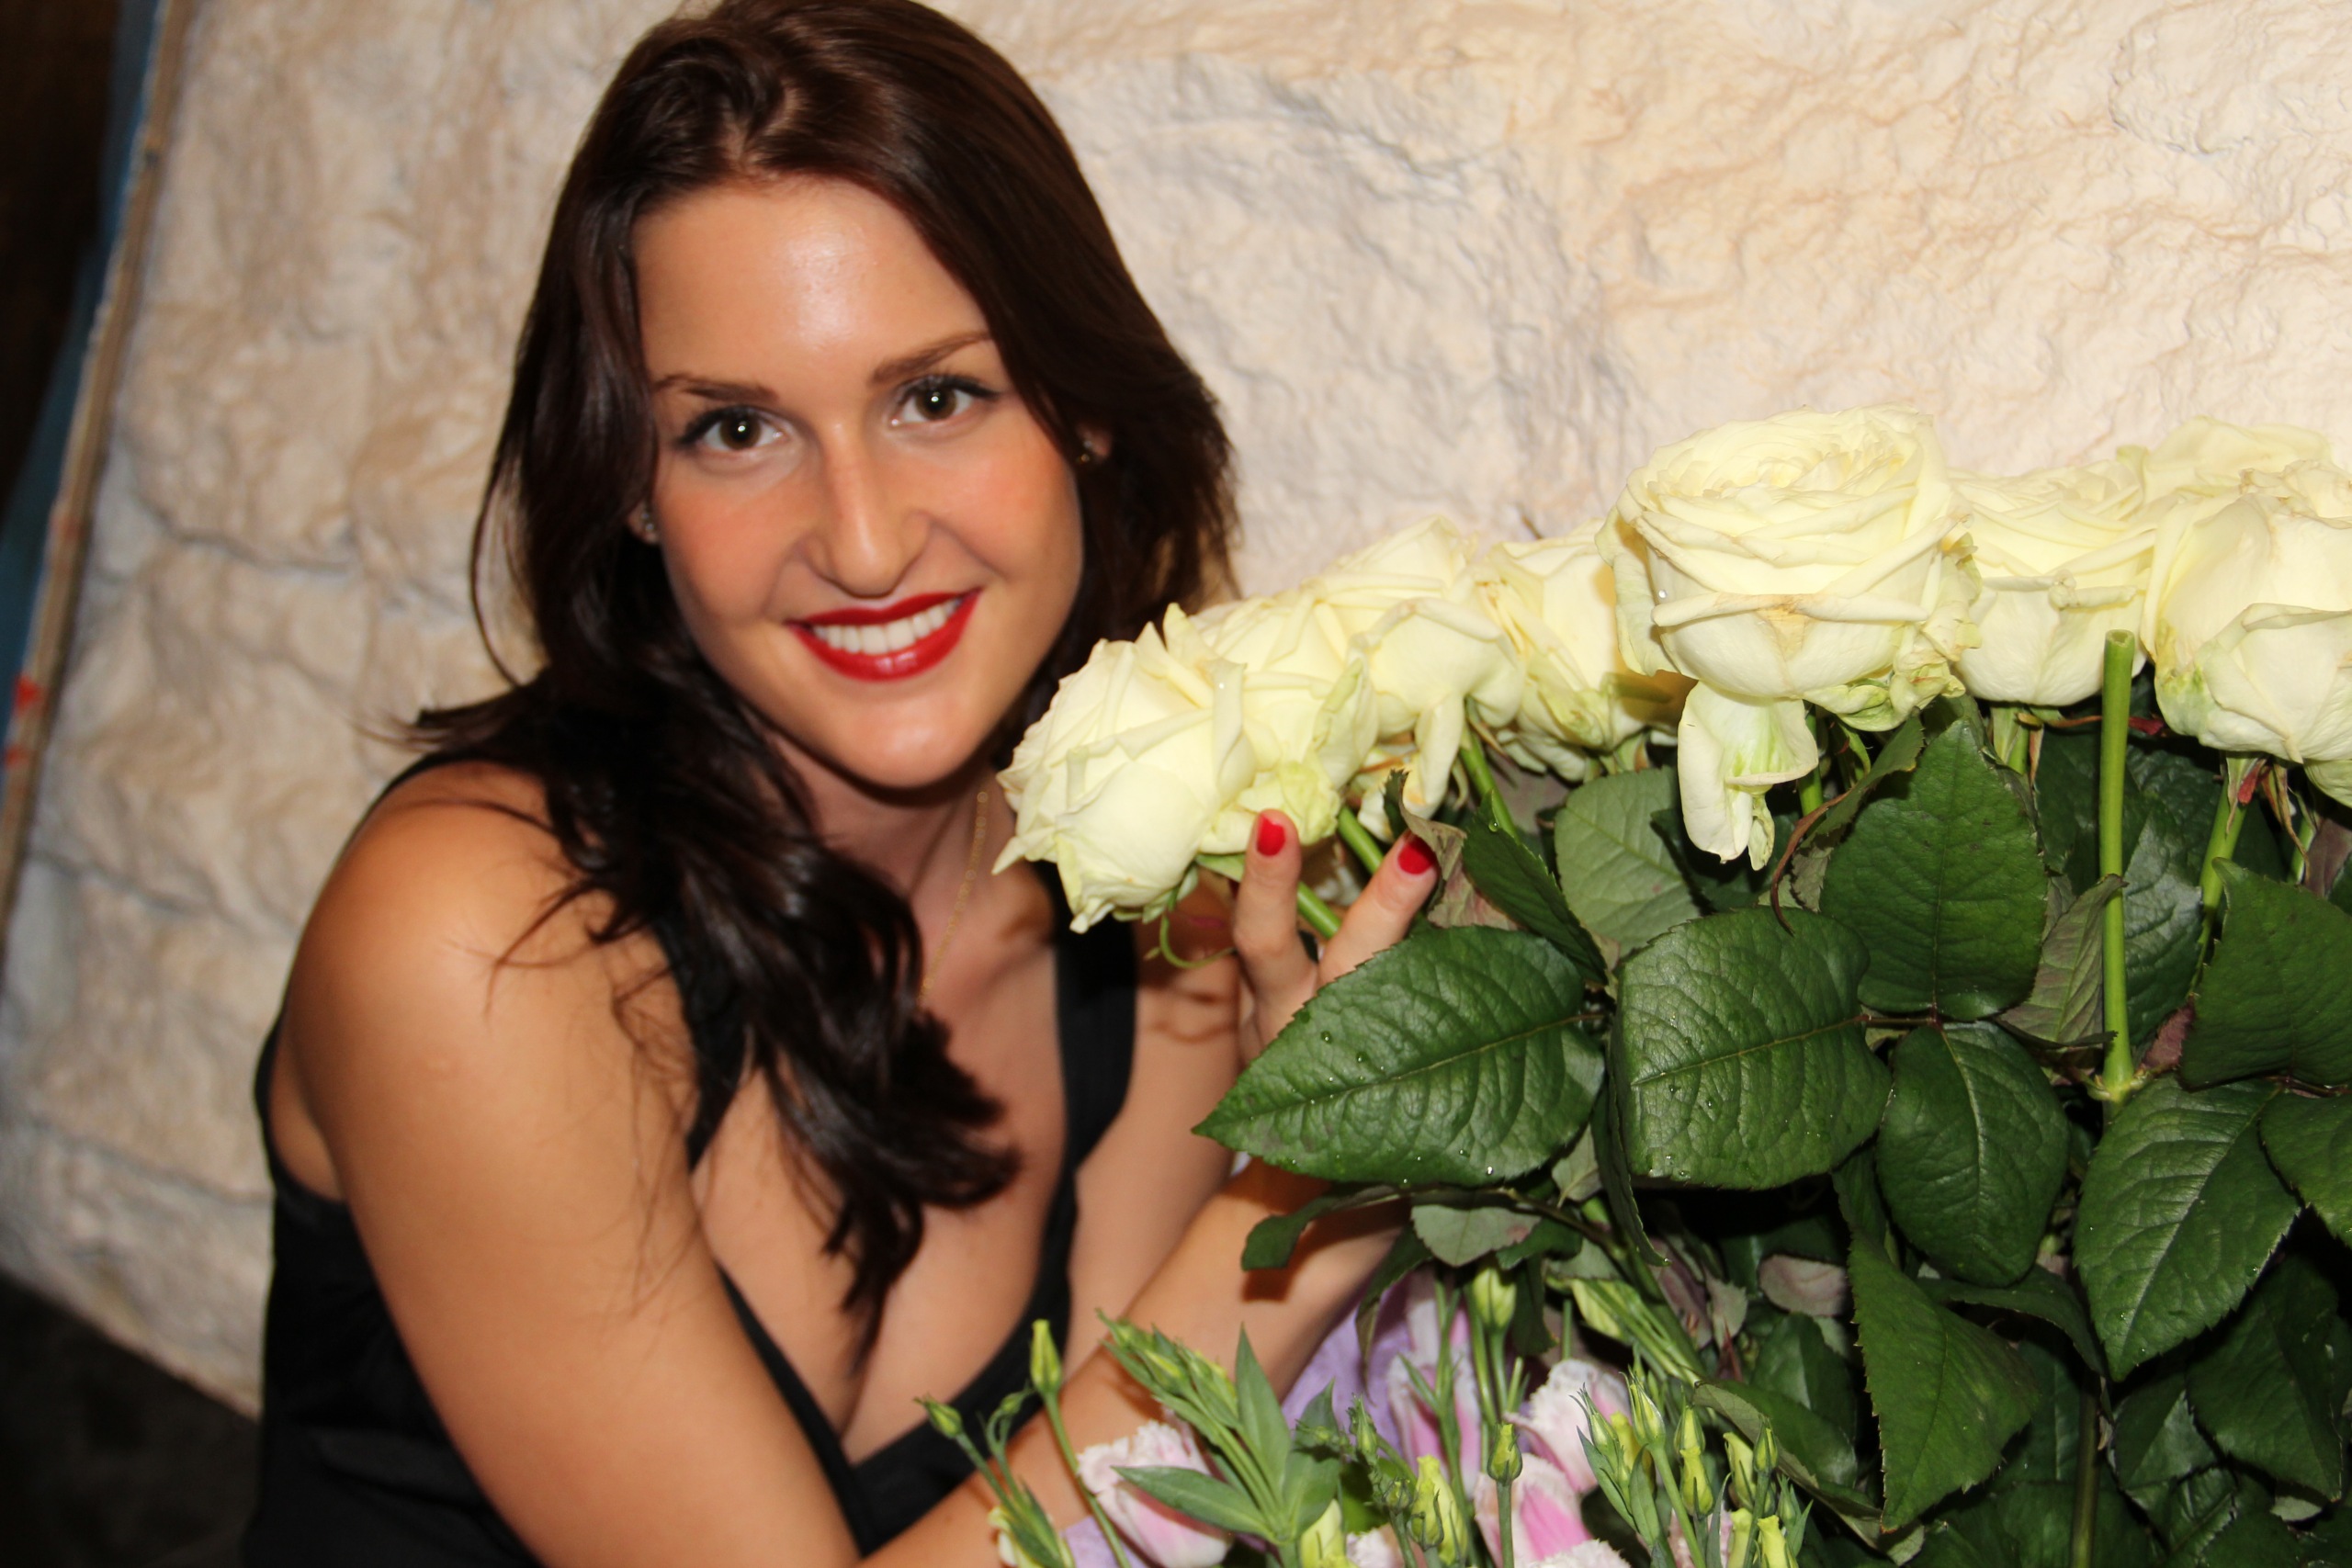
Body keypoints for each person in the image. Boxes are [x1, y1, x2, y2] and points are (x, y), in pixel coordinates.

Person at [242, 2, 1438, 1562]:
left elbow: (1114, 1526)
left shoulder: (1162, 907)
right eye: (736, 429)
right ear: (635, 489)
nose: (864, 544)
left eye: (935, 398)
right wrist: (1310, 1203)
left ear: (1079, 405)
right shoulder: (477, 938)